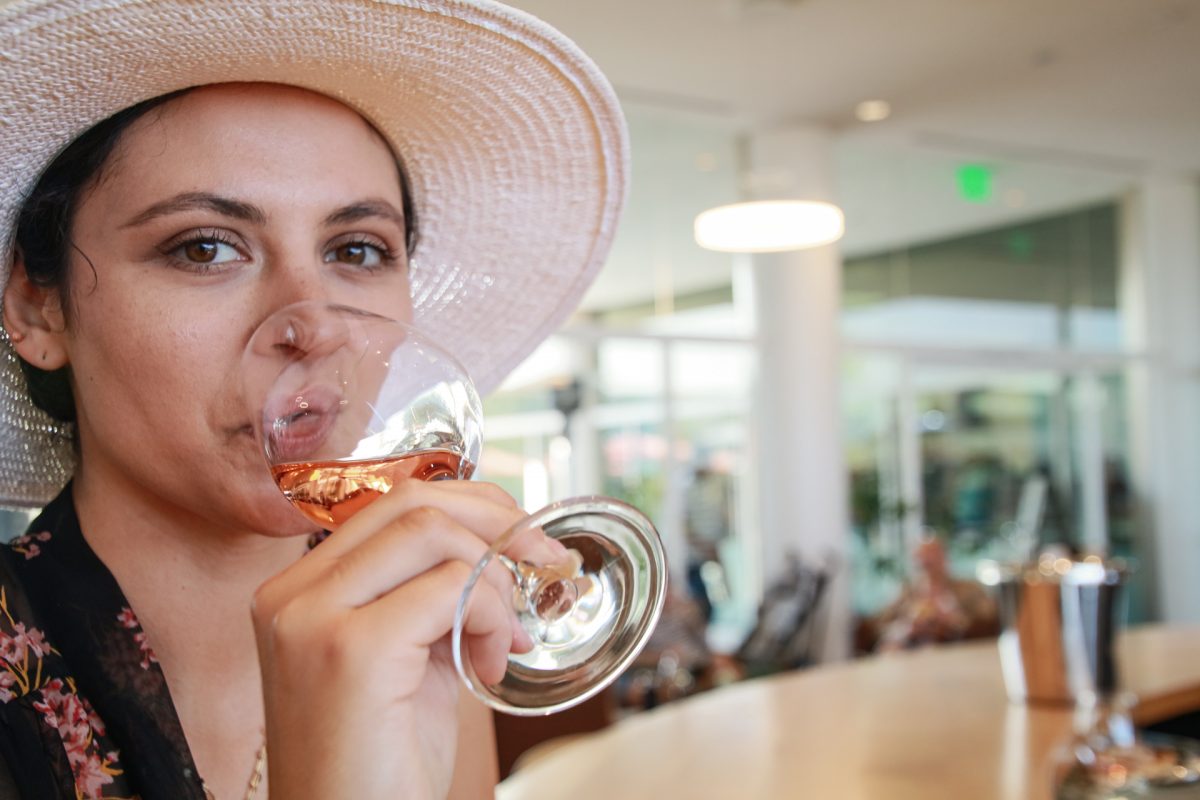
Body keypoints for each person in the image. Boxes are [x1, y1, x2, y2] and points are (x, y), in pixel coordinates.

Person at [0, 1, 628, 797]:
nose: (314, 326)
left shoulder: (422, 633)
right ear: (36, 306)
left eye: (357, 250)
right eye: (205, 248)